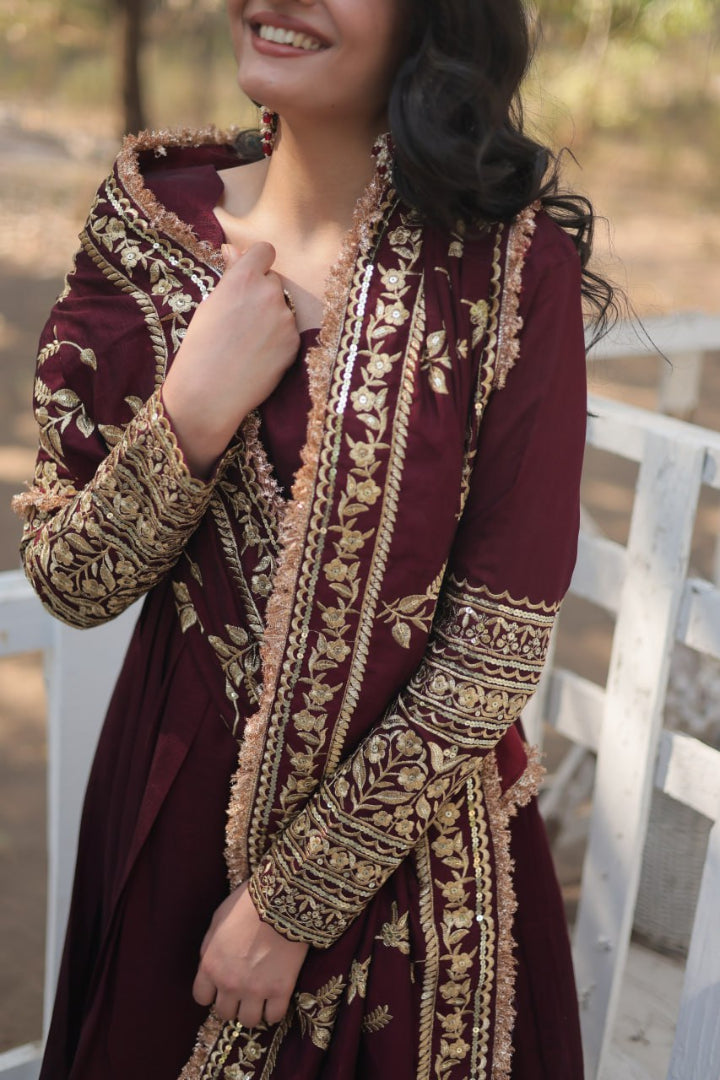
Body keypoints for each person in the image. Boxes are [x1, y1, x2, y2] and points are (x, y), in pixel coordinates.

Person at [14, 1, 614, 1077]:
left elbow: (496, 643)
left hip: (410, 869)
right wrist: (192, 413)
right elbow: (67, 579)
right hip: (169, 822)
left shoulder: (507, 268)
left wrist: (291, 906)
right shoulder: (151, 229)